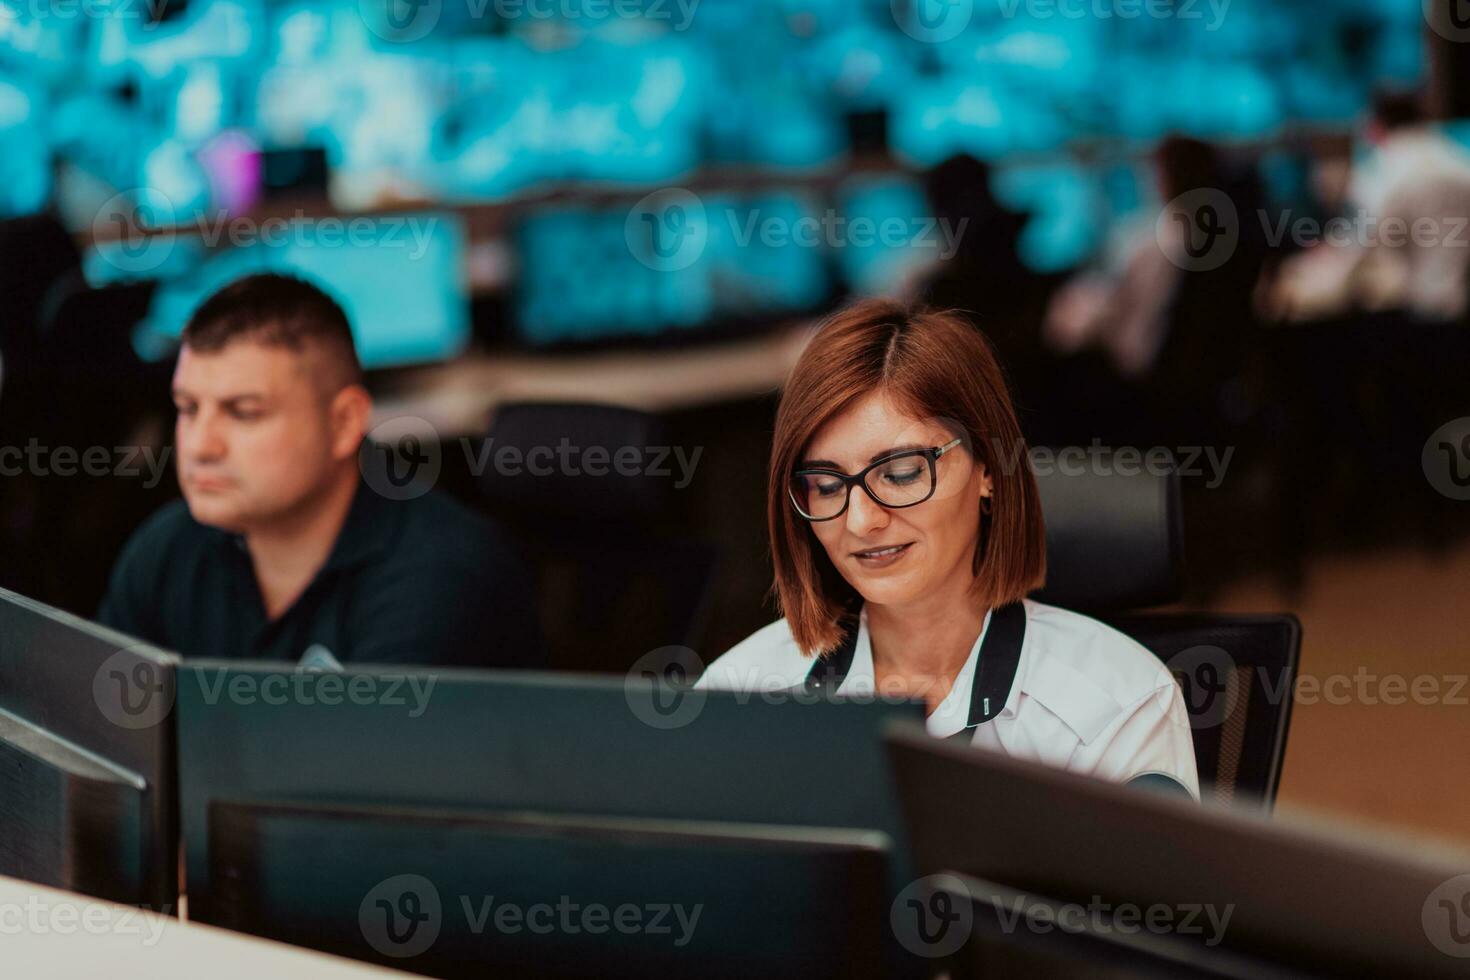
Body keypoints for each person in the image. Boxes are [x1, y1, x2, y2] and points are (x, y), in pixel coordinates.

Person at [698, 300, 1199, 796]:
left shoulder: (1118, 706)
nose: (861, 521)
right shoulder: (739, 695)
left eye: (901, 473)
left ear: (988, 469)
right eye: (827, 486)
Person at [98, 273, 541, 668]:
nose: (200, 445)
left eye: (244, 412)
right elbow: (102, 718)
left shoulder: (440, 577)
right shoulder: (167, 549)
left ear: (344, 423)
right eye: (188, 408)